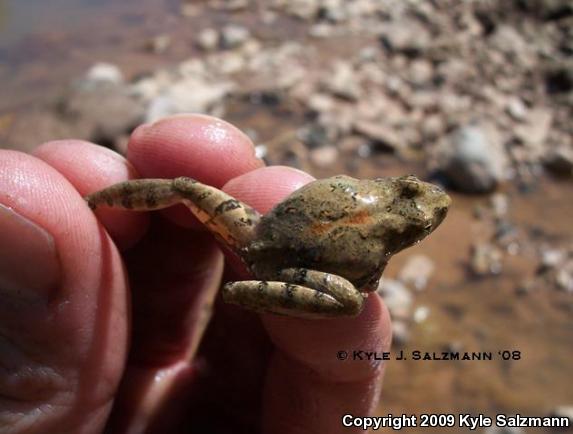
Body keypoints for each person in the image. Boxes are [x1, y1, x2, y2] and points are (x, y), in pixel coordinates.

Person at [0, 114, 391, 433]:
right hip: (272, 253)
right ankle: (88, 207)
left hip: (256, 229)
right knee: (352, 300)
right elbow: (366, 281)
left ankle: (93, 205)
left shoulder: (369, 196)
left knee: (187, 189)